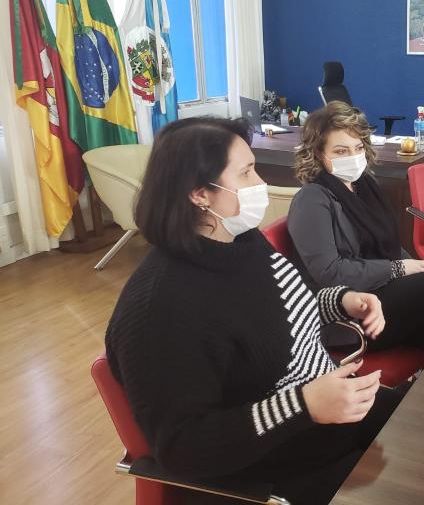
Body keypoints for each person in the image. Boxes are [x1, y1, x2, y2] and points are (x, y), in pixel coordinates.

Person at [105, 117, 402, 505]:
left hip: (325, 413)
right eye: (246, 173)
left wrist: (339, 301)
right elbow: (183, 447)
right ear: (200, 194)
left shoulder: (238, 240)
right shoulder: (161, 309)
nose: (260, 182)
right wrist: (304, 405)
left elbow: (269, 312)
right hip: (278, 463)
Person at [287, 101, 424, 355]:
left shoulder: (364, 185)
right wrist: (398, 268)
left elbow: (387, 242)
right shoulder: (311, 199)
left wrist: (414, 269)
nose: (353, 157)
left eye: (357, 148)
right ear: (319, 154)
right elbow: (331, 273)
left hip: (382, 289)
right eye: (341, 151)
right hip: (351, 312)